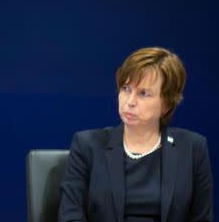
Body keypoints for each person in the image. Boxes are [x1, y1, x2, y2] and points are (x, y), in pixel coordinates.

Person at [58, 47, 213, 222]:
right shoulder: (87, 145)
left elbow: (202, 219)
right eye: (125, 89)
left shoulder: (193, 148)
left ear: (167, 104)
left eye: (143, 93)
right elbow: (70, 216)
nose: (130, 102)